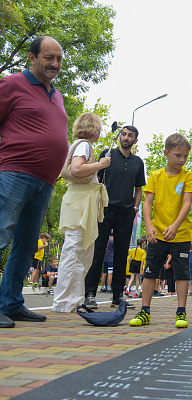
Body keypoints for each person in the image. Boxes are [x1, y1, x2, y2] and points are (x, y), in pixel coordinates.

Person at [0, 36, 68, 328]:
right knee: (1, 235)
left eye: (59, 59)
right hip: (13, 174)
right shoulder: (12, 84)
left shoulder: (57, 95)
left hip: (45, 182)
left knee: (27, 245)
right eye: (48, 58)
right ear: (31, 57)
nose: (54, 64)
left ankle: (11, 303)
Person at [129, 133, 192, 328]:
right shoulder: (155, 176)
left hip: (181, 235)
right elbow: (147, 202)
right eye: (178, 155)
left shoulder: (188, 176)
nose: (182, 160)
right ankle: (145, 312)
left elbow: (187, 203)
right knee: (150, 272)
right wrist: (149, 227)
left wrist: (175, 226)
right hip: (157, 235)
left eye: (185, 156)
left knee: (182, 274)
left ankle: (181, 313)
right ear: (166, 153)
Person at [52, 112, 110, 313]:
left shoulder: (81, 145)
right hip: (80, 206)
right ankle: (65, 302)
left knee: (78, 252)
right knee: (75, 252)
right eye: (99, 128)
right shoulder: (84, 145)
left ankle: (71, 301)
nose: (101, 132)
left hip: (81, 204)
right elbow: (77, 169)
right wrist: (100, 165)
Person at [84, 125, 145, 310]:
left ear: (135, 140)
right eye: (124, 134)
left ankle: (118, 297)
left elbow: (139, 188)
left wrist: (134, 208)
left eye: (130, 136)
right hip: (105, 210)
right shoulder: (107, 153)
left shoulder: (137, 162)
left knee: (121, 256)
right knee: (98, 253)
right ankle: (90, 294)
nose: (125, 138)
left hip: (126, 214)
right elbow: (96, 179)